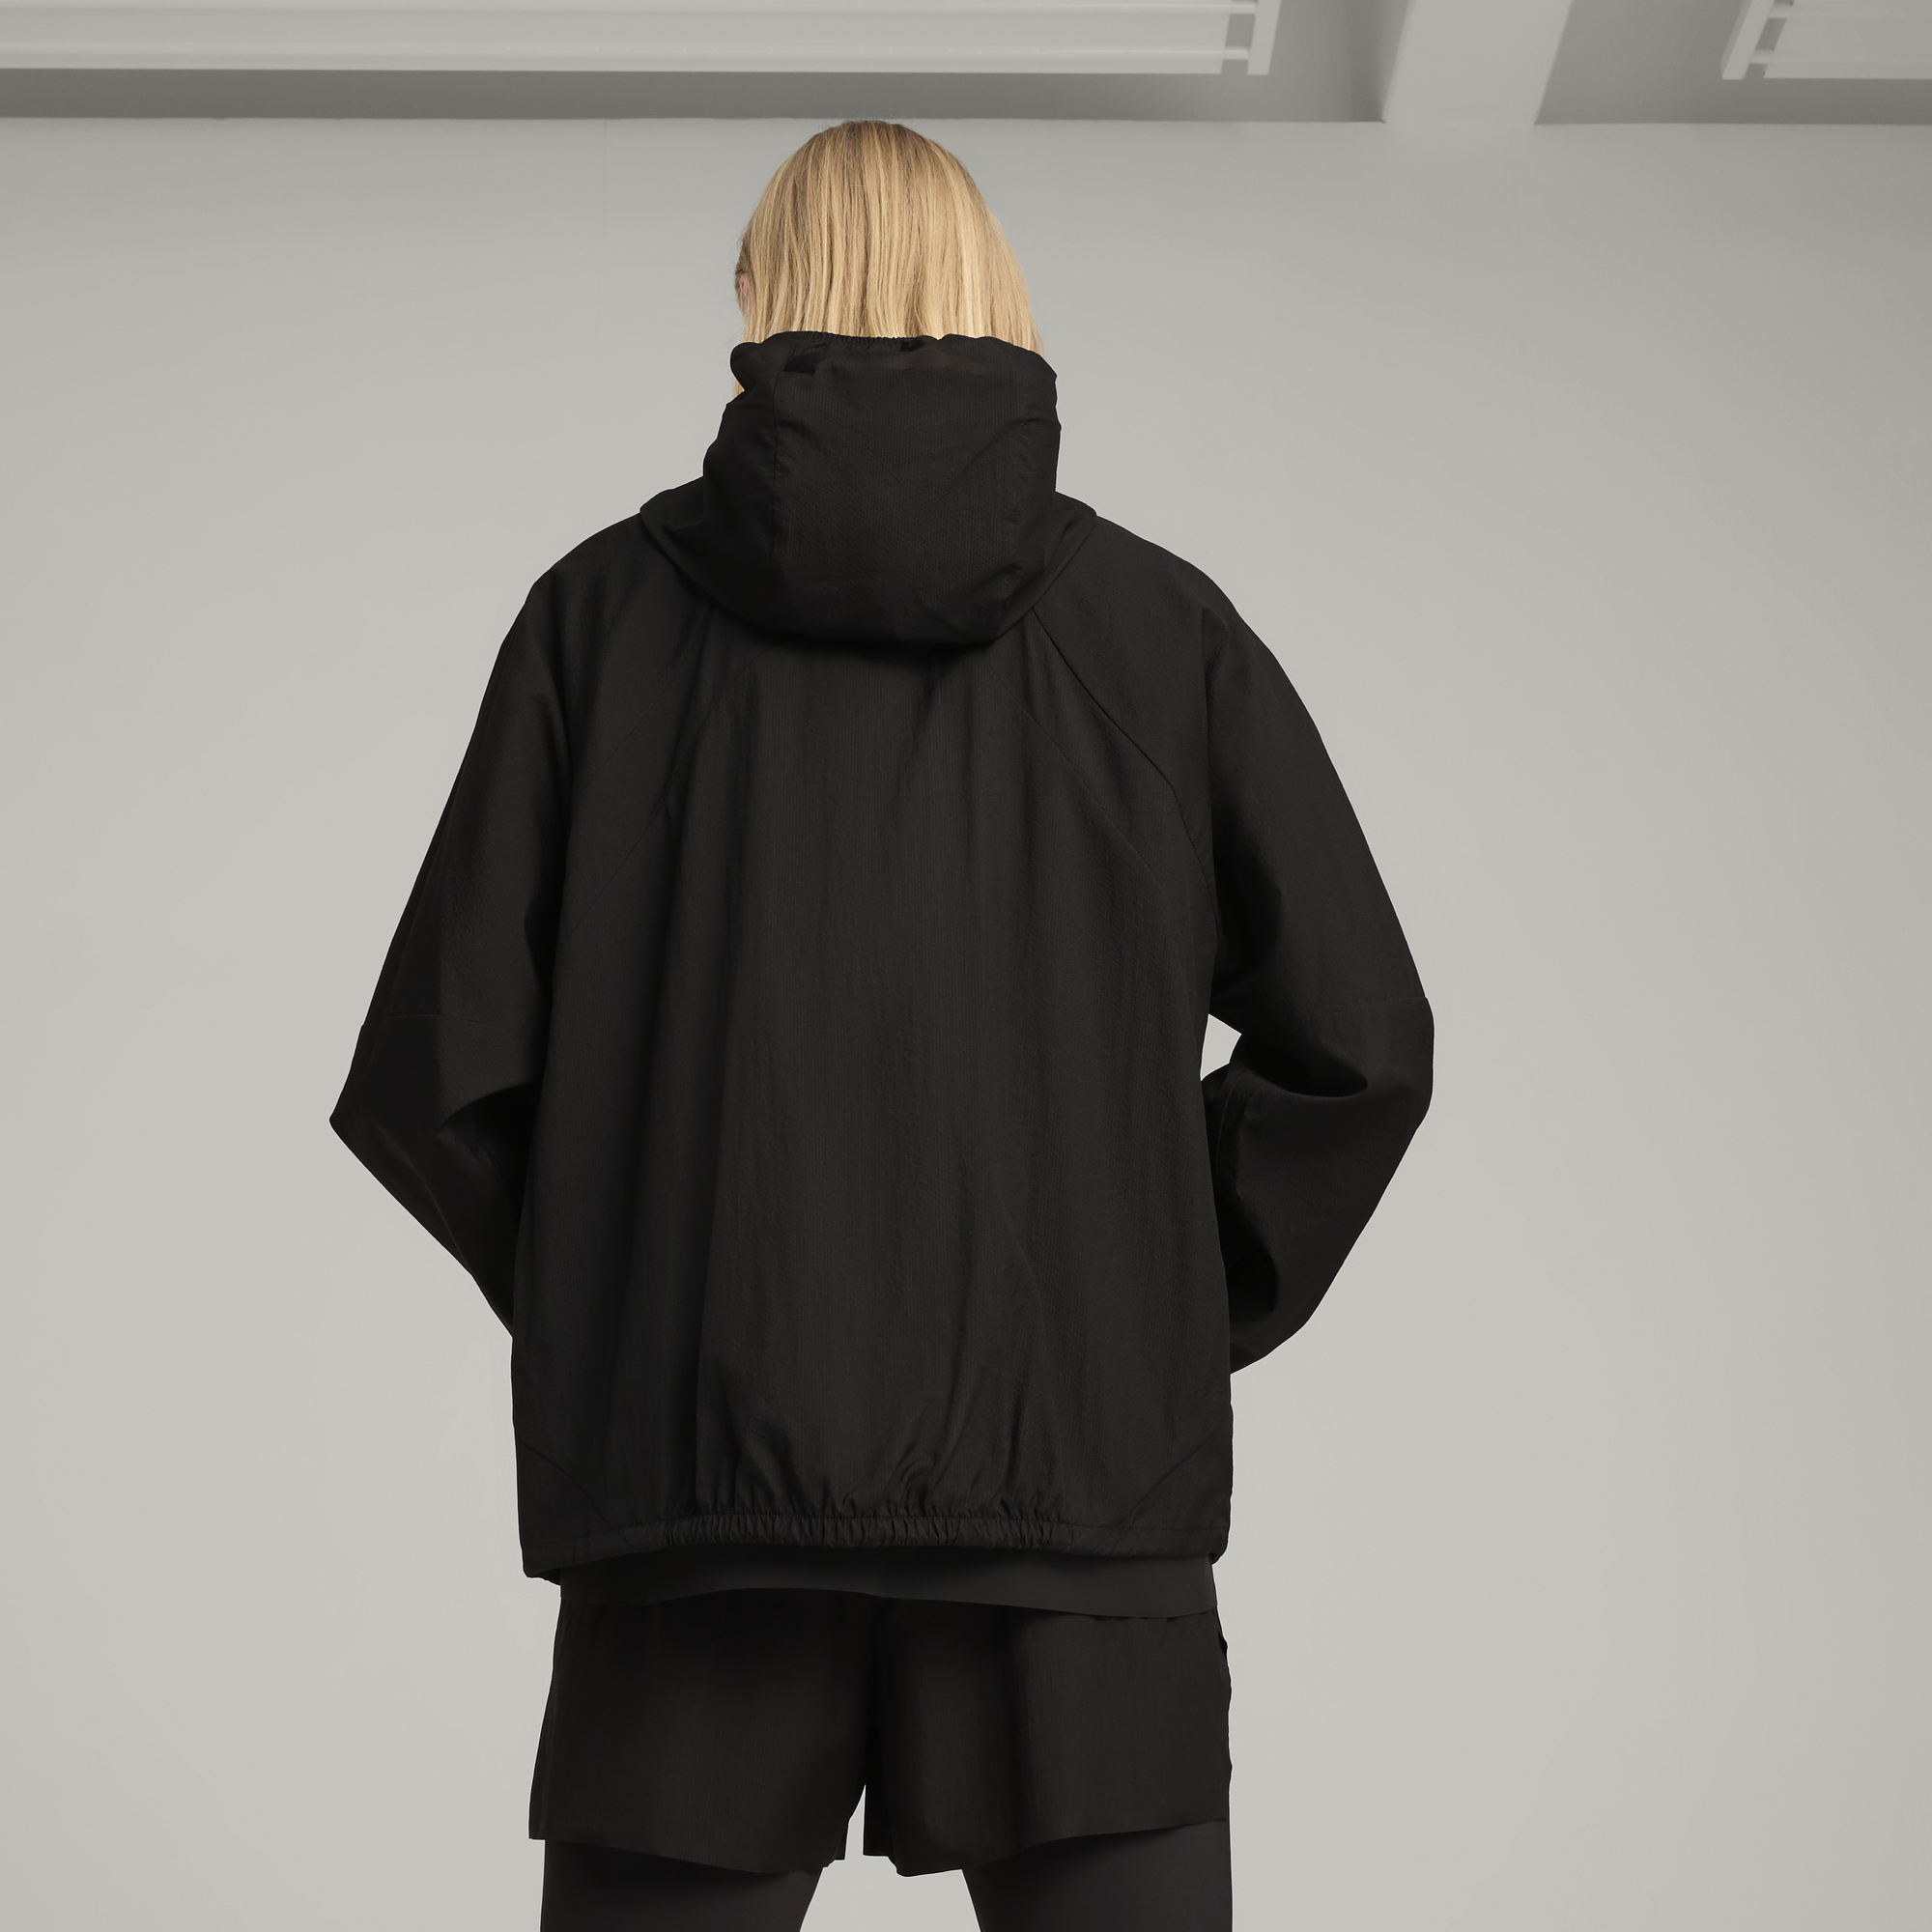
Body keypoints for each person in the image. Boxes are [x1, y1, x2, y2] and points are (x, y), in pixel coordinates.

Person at [330, 119, 1434, 1931]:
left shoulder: (598, 619)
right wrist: (1145, 1314)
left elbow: (431, 1072)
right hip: (1074, 1516)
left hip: (697, 1517)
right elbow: (1361, 1045)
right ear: (997, 294)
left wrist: (641, 1311)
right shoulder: (1161, 631)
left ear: (760, 298)